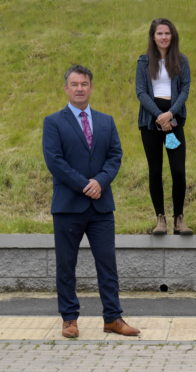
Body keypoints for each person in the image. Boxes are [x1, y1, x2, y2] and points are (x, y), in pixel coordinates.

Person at [43, 65, 140, 338]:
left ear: (91, 87)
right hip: (67, 207)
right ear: (66, 88)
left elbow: (115, 156)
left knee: (107, 264)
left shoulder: (106, 121)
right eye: (74, 84)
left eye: (84, 84)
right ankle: (69, 319)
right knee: (66, 266)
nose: (79, 88)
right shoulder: (53, 122)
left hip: (101, 207)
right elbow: (55, 161)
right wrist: (84, 184)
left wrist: (100, 181)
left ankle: (113, 318)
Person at [136, 18, 192, 235]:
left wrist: (170, 114)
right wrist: (159, 116)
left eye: (167, 33)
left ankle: (179, 218)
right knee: (155, 170)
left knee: (178, 170)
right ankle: (160, 218)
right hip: (151, 122)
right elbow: (141, 91)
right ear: (153, 36)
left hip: (174, 120)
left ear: (173, 35)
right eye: (159, 33)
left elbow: (185, 90)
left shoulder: (181, 60)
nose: (164, 37)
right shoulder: (143, 62)